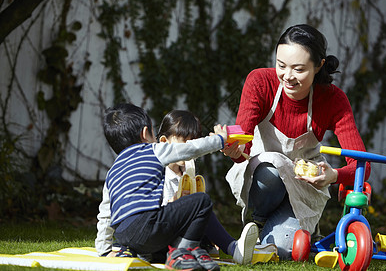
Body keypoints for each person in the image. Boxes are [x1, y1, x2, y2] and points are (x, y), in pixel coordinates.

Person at [222, 24, 371, 260]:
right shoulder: (260, 82)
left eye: (298, 69)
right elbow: (244, 149)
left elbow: (362, 164)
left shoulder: (333, 99)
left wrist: (333, 176)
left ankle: (266, 238)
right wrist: (234, 150)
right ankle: (257, 222)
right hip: (265, 178)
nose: (287, 76)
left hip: (304, 187)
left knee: (285, 250)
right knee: (270, 169)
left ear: (319, 65)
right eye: (281, 65)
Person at [95, 107, 259, 267]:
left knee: (161, 229)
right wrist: (220, 140)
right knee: (201, 201)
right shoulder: (153, 150)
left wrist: (104, 250)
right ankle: (182, 252)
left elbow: (105, 214)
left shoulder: (112, 171)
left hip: (125, 236)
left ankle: (142, 252)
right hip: (148, 226)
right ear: (145, 133)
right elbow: (190, 149)